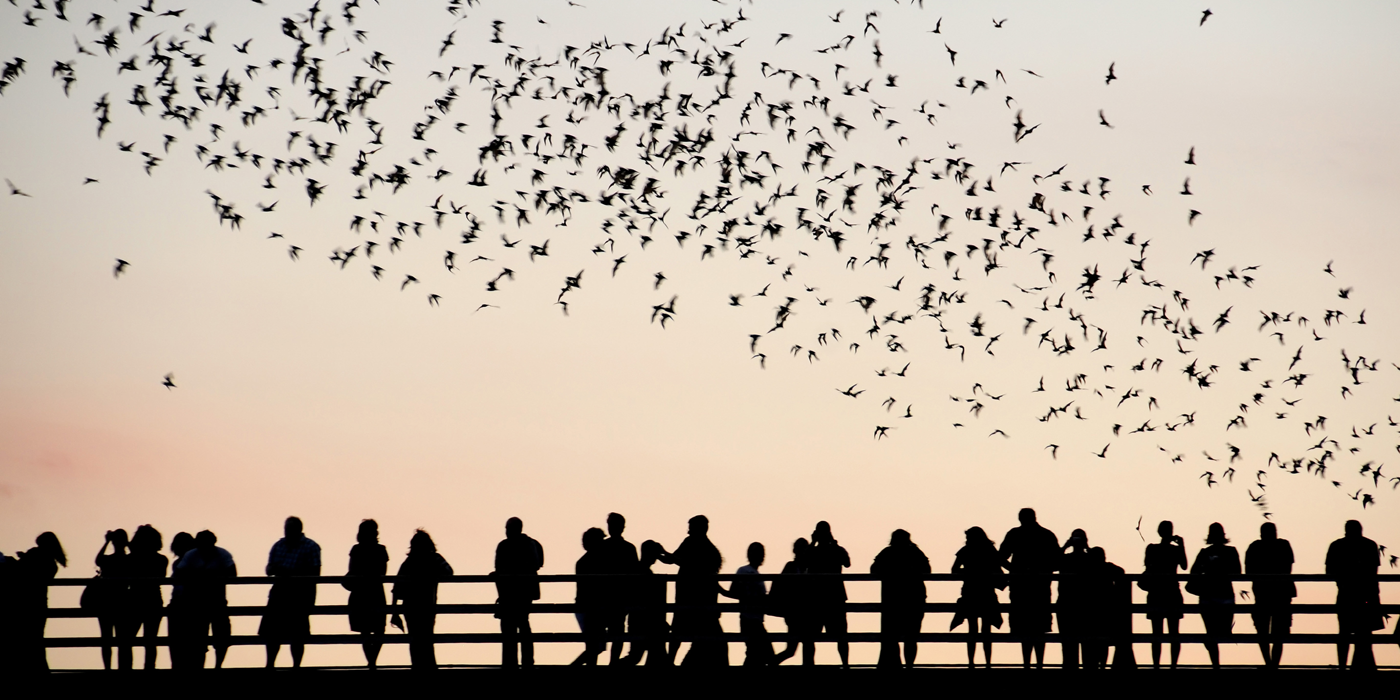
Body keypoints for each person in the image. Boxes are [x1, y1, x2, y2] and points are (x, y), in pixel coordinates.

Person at [658, 515, 727, 666]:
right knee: (681, 632)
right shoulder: (703, 547)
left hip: (694, 597)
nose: (688, 531)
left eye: (691, 527)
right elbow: (673, 559)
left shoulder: (705, 549)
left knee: (682, 632)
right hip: (689, 596)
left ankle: (672, 661)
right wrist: (660, 554)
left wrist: (662, 553)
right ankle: (671, 661)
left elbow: (685, 563)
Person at [999, 508, 1059, 668]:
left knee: (1028, 626)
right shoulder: (1046, 535)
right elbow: (1057, 561)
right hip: (1038, 587)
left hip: (1023, 587)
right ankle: (1038, 663)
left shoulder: (1014, 534)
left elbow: (1000, 558)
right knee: (1037, 626)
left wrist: (1015, 570)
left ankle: (1028, 663)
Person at [260, 516, 321, 668]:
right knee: (272, 633)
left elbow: (315, 573)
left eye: (290, 529)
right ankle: (270, 664)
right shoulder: (278, 545)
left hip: (300, 594)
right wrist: (277, 570)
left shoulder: (311, 546)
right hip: (279, 592)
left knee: (297, 634)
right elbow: (268, 569)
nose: (287, 532)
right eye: (286, 529)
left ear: (299, 529)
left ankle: (296, 666)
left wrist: (290, 573)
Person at [392, 529, 453, 670]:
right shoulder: (434, 558)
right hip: (428, 605)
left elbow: (396, 587)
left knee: (414, 639)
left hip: (411, 606)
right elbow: (449, 572)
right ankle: (430, 667)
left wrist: (394, 611)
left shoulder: (409, 562)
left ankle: (418, 667)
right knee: (427, 638)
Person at [176, 530, 237, 669]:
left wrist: (208, 575)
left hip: (216, 601)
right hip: (198, 603)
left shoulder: (222, 554)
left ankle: (217, 665)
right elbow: (179, 573)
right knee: (199, 638)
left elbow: (233, 574)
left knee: (221, 636)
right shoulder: (192, 555)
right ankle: (201, 667)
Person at [1325, 520, 1382, 670]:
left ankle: (1345, 666)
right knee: (1363, 634)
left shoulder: (1337, 546)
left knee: (1345, 632)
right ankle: (1360, 666)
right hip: (1366, 594)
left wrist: (1343, 578)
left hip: (1347, 593)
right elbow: (1373, 572)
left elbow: (1329, 571)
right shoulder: (1369, 545)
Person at [871, 529, 930, 669]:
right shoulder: (915, 552)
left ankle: (898, 665)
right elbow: (927, 569)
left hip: (893, 599)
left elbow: (873, 569)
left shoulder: (888, 552)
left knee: (893, 636)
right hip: (913, 598)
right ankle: (908, 665)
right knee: (910, 636)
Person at [492, 517, 544, 668]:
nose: (507, 531)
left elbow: (499, 569)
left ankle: (510, 664)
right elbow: (536, 564)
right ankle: (525, 663)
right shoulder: (529, 544)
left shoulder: (505, 546)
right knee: (522, 626)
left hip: (511, 593)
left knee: (511, 628)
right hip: (523, 593)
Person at [951, 526, 1004, 669]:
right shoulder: (990, 550)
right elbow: (1000, 566)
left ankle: (971, 662)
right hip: (987, 592)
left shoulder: (965, 551)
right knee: (986, 630)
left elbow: (954, 570)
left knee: (972, 629)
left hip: (970, 592)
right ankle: (987, 663)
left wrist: (968, 571)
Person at [1189, 522, 1239, 669]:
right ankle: (1215, 665)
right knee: (1212, 632)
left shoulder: (1228, 552)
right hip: (1211, 596)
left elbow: (1237, 572)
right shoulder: (1206, 553)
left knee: (1221, 631)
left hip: (1221, 596)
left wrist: (1214, 568)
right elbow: (1194, 572)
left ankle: (1215, 664)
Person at [1245, 522, 1295, 668]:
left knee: (1265, 632)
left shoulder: (1255, 547)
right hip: (1278, 594)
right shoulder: (1283, 545)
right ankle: (1273, 664)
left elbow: (1249, 572)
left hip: (1266, 594)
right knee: (1274, 632)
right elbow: (1288, 568)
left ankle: (1270, 663)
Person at [15, 532, 66, 672]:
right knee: (37, 638)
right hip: (40, 603)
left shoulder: (35, 554)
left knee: (26, 638)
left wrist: (23, 559)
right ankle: (41, 669)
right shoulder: (52, 562)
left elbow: (21, 570)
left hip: (26, 603)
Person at [617, 540, 670, 666]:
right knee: (638, 656)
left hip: (638, 620)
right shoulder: (643, 572)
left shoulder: (637, 569)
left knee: (636, 656)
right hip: (642, 621)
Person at [1142, 520, 1187, 669]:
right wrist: (1181, 546)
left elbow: (1148, 565)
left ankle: (1157, 665)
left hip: (1158, 593)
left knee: (1158, 633)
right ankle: (1171, 665)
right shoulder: (1173, 550)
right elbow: (1184, 565)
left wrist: (1180, 546)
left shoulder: (1152, 549)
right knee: (1172, 632)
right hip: (1170, 592)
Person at [344, 519, 389, 669]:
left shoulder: (357, 550)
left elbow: (352, 571)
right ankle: (372, 661)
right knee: (377, 629)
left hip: (361, 593)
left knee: (365, 630)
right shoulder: (380, 550)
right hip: (375, 592)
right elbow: (382, 572)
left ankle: (371, 661)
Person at [808, 521, 852, 668]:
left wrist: (814, 542)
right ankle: (845, 664)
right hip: (830, 597)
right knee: (839, 635)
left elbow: (846, 562)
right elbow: (846, 562)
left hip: (822, 597)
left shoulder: (817, 551)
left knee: (815, 635)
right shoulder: (831, 550)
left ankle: (811, 665)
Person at [723, 542, 774, 667]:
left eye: (759, 552)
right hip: (749, 619)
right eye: (754, 552)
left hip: (755, 619)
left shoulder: (757, 575)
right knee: (762, 655)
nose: (757, 555)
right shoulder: (744, 571)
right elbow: (734, 591)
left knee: (755, 654)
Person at [125, 525, 168, 670]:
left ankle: (126, 669)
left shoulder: (131, 558)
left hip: (134, 599)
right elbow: (161, 578)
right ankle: (149, 669)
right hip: (154, 599)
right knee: (150, 640)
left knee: (127, 639)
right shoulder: (161, 559)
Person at [600, 513, 639, 664]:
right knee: (617, 632)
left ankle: (611, 663)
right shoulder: (628, 548)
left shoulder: (603, 547)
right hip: (617, 596)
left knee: (614, 631)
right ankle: (613, 663)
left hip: (613, 596)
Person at [769, 538, 813, 665]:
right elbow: (780, 585)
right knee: (793, 649)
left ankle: (772, 663)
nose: (802, 551)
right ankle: (771, 663)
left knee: (805, 646)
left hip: (803, 613)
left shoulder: (807, 567)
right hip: (794, 613)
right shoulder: (792, 566)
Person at [93, 528, 130, 670]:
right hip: (123, 601)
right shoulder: (129, 560)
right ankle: (123, 669)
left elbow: (98, 560)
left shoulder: (108, 560)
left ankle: (107, 668)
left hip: (106, 602)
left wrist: (106, 541)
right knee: (122, 639)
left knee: (106, 638)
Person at [571, 527, 608, 665]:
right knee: (595, 646)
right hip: (590, 607)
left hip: (586, 606)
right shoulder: (596, 562)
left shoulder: (582, 562)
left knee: (594, 646)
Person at [1056, 528, 1091, 669]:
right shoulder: (1067, 559)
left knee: (1085, 642)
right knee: (1068, 642)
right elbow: (1052, 562)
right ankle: (1071, 668)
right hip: (1070, 603)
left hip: (1078, 604)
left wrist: (1066, 546)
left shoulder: (1089, 559)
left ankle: (1075, 669)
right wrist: (1064, 547)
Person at [165, 532, 195, 669]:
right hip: (183, 602)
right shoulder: (183, 562)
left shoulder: (180, 563)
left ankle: (177, 666)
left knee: (176, 640)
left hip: (181, 602)